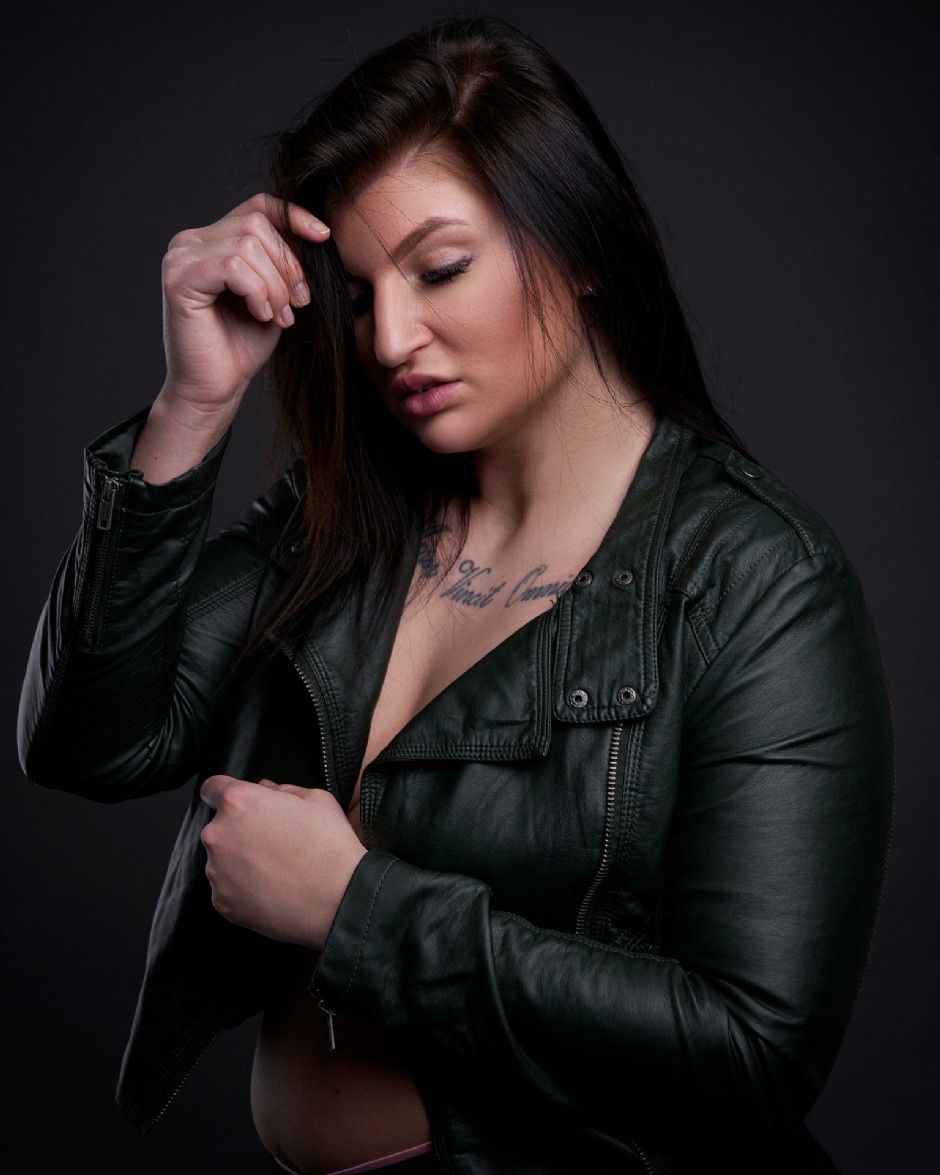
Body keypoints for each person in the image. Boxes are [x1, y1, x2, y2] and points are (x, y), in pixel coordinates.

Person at [17, 14, 892, 1175]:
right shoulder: (342, 518)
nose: (388, 338)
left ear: (579, 244)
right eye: (359, 291)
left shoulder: (757, 581)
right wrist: (194, 404)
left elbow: (750, 1057)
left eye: (438, 270)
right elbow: (89, 741)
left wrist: (356, 907)